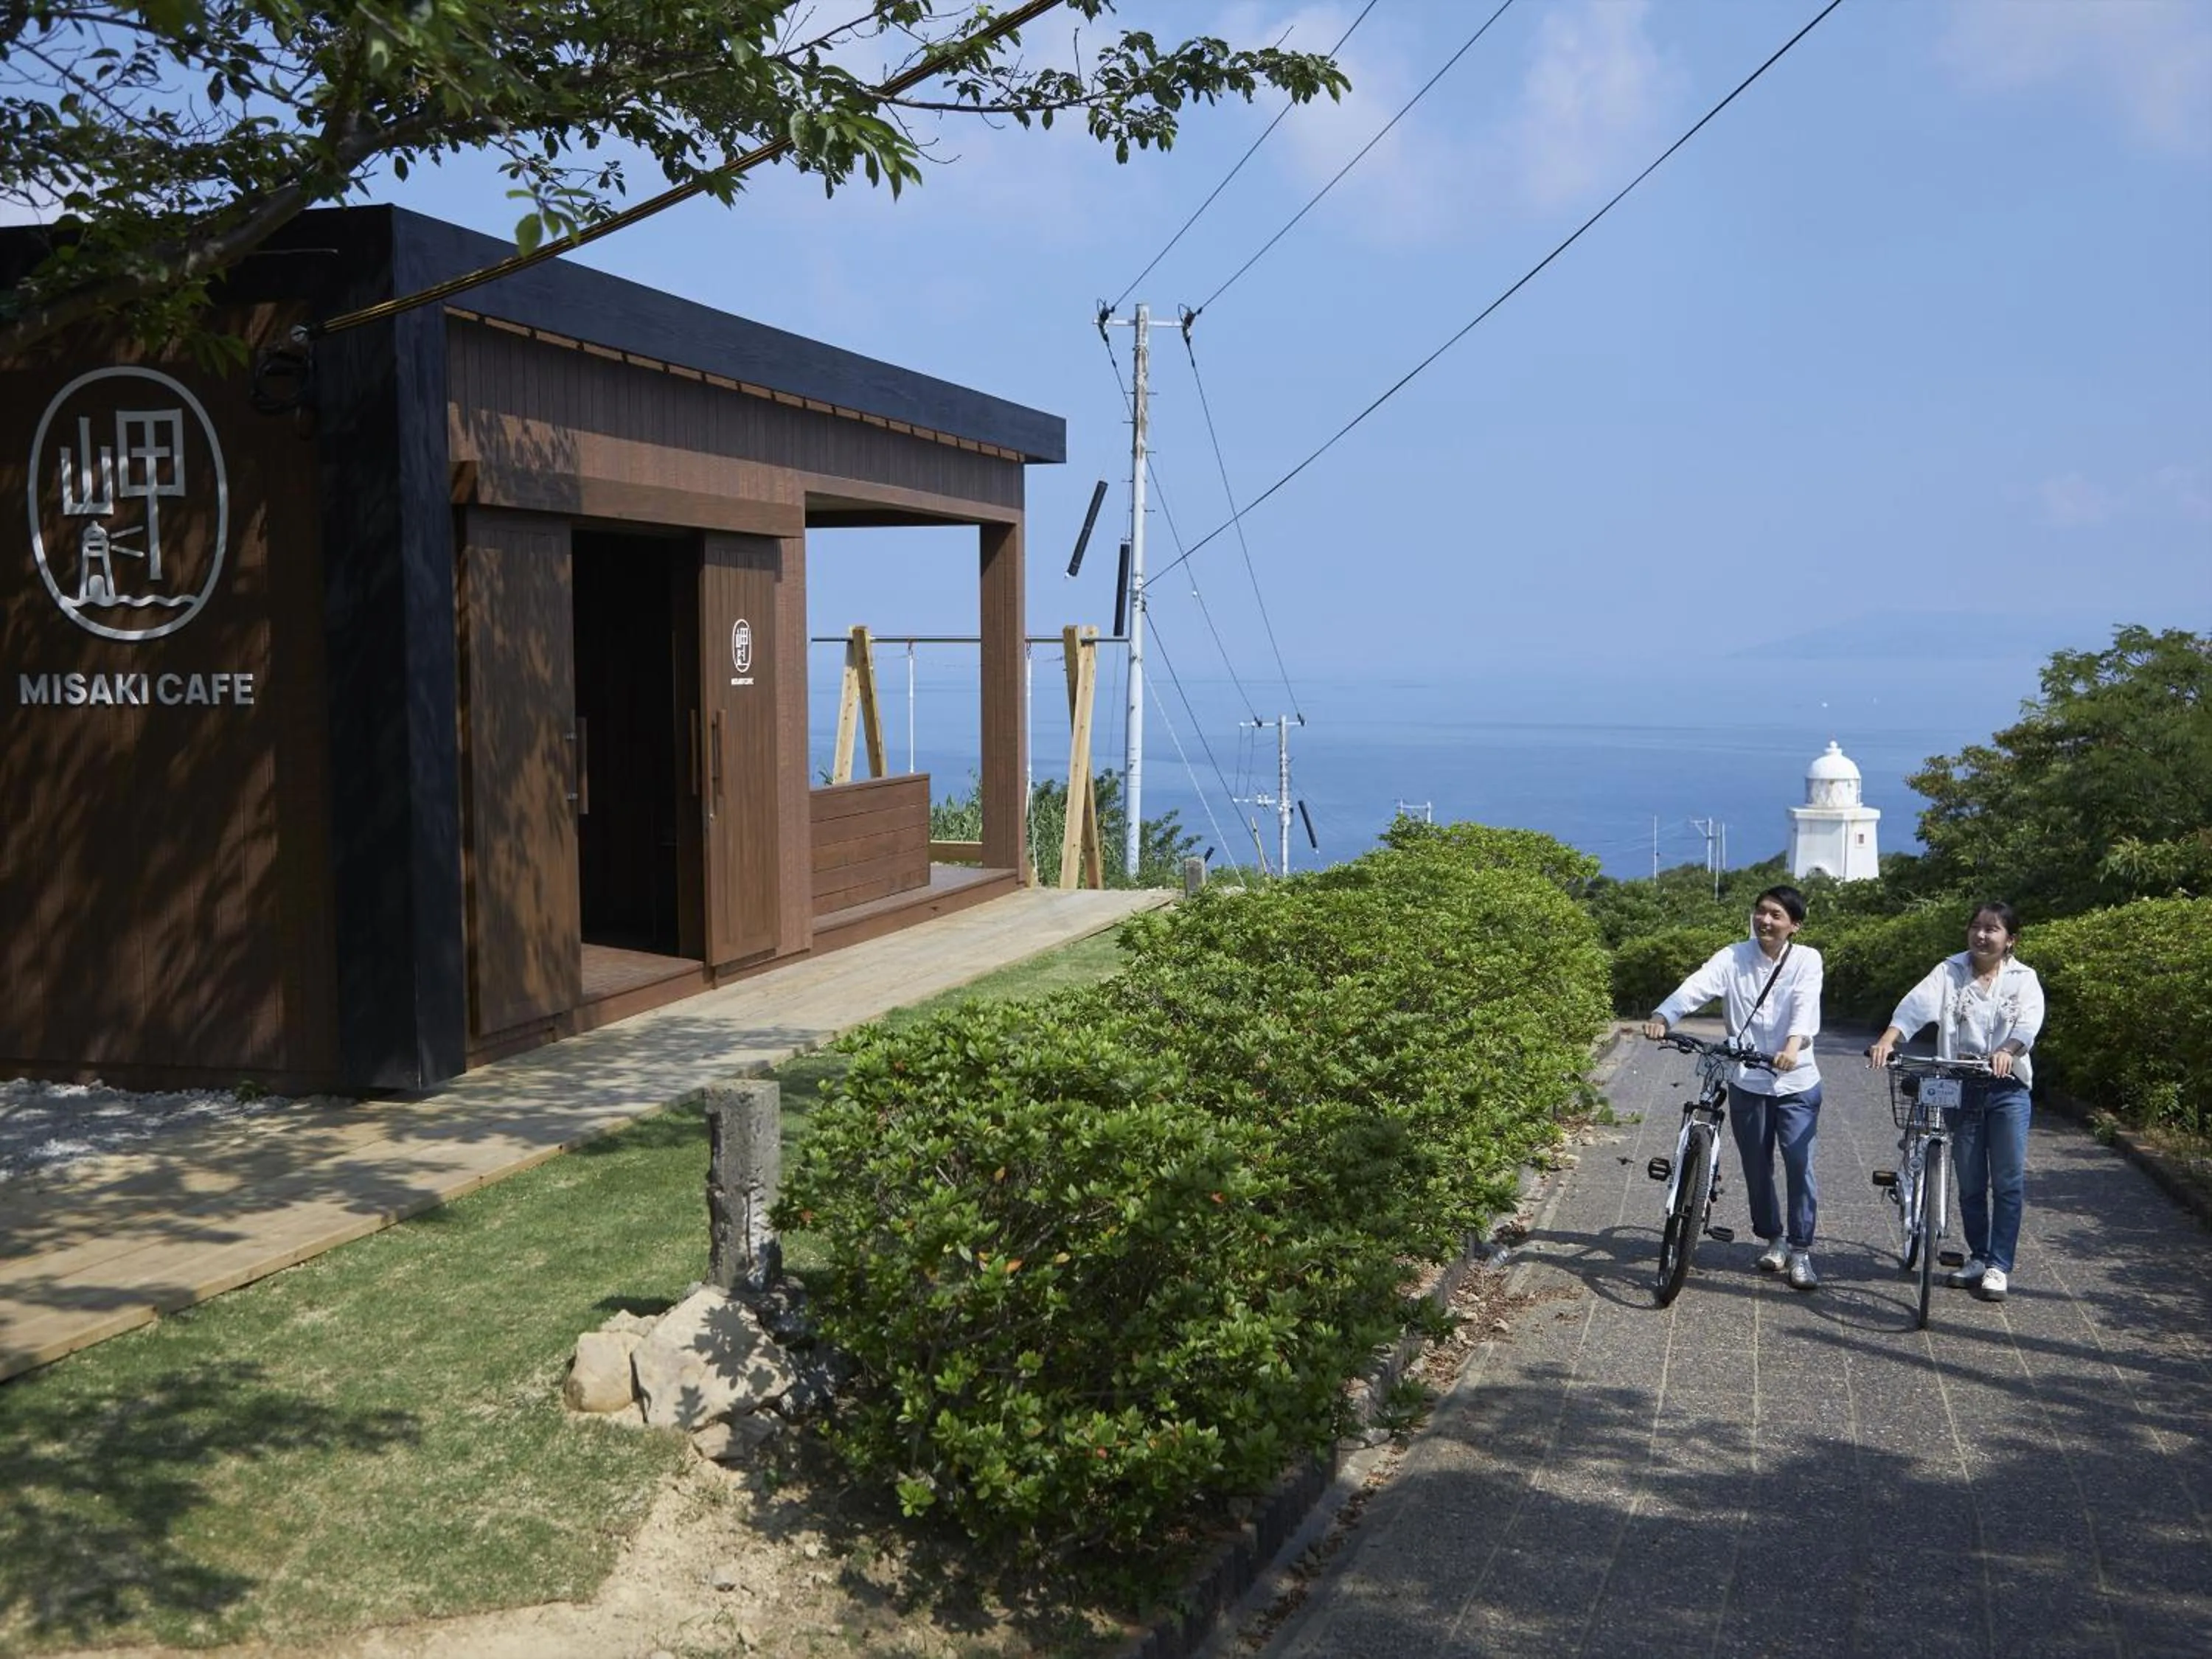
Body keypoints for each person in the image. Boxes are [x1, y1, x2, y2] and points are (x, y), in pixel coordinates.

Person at [1643, 885, 1826, 1290]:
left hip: (1795, 1080)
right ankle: (1774, 1238)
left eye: (1777, 915)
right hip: (1747, 1078)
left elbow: (1804, 1004)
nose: (1765, 921)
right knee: (1756, 1167)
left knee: (1799, 1163)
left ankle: (1801, 1250)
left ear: (1794, 925)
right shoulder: (1733, 956)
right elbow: (1697, 985)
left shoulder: (1807, 960)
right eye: (1761, 912)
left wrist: (1792, 1047)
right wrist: (1664, 1015)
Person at [1865, 901, 2044, 1304]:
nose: (1982, 935)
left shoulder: (2023, 979)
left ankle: (1999, 1265)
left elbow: (2029, 1024)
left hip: (2006, 1087)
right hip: (1959, 1084)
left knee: (2009, 1179)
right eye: (1976, 927)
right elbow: (1915, 1006)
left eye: (1992, 929)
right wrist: (1888, 1041)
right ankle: (1979, 1257)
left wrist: (2008, 1051)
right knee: (1970, 1180)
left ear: (2010, 940)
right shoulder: (1950, 970)